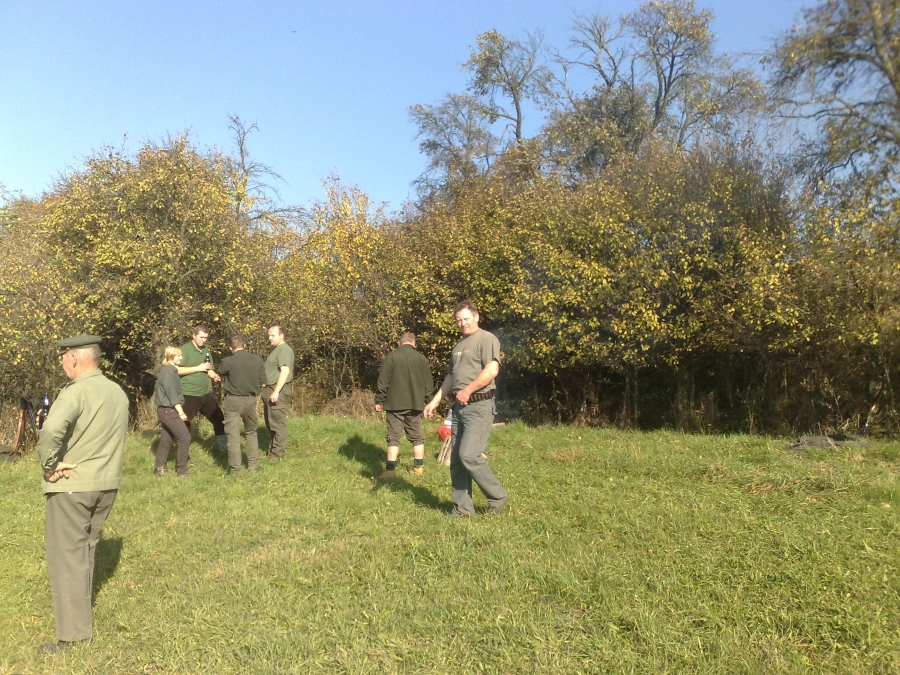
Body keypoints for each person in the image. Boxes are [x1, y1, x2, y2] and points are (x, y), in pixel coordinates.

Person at [36, 335, 129, 654]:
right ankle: (81, 619)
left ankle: (73, 636)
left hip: (72, 483)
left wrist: (50, 464)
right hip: (107, 483)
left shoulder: (74, 391)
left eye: (63, 357)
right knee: (86, 551)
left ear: (74, 358)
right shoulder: (116, 391)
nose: (62, 363)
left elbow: (50, 430)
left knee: (67, 558)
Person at [424, 301, 509, 517]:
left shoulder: (486, 339)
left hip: (479, 405)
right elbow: (451, 377)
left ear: (476, 317)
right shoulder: (459, 345)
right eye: (459, 320)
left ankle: (498, 497)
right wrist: (434, 402)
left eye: (466, 319)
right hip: (459, 408)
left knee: (468, 455)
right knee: (456, 460)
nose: (462, 323)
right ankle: (462, 509)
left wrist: (468, 390)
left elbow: (492, 370)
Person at [374, 332, 433, 479]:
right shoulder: (422, 358)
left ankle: (390, 471)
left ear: (399, 343)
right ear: (414, 343)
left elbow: (383, 382)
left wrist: (379, 400)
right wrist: (429, 403)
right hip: (415, 404)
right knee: (417, 437)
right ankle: (418, 468)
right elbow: (428, 384)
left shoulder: (391, 357)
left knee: (394, 437)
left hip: (394, 405)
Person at [217, 334, 266, 474]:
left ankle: (235, 470)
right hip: (250, 400)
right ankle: (254, 466)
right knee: (251, 433)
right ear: (245, 345)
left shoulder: (227, 361)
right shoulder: (257, 359)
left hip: (232, 401)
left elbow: (219, 376)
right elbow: (263, 382)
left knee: (233, 436)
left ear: (230, 348)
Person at [177, 325, 227, 453]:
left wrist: (213, 375)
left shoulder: (206, 350)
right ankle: (182, 453)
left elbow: (208, 368)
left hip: (205, 394)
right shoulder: (184, 350)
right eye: (201, 337)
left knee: (219, 419)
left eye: (206, 338)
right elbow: (176, 369)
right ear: (194, 336)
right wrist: (197, 368)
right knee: (184, 424)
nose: (203, 340)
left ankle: (224, 449)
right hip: (189, 393)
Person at [154, 346, 191, 477]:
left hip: (165, 410)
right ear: (171, 357)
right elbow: (172, 394)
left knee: (166, 440)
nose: (181, 358)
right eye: (178, 356)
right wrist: (181, 412)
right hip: (169, 411)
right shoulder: (169, 371)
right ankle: (182, 471)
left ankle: (160, 469)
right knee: (185, 437)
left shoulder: (168, 370)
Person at [262, 324, 294, 461]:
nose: (270, 338)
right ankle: (273, 449)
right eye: (269, 335)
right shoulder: (277, 350)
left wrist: (276, 391)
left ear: (281, 335)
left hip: (277, 390)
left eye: (273, 335)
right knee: (271, 422)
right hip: (270, 388)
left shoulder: (284, 350)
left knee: (277, 423)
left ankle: (277, 453)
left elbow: (285, 371)